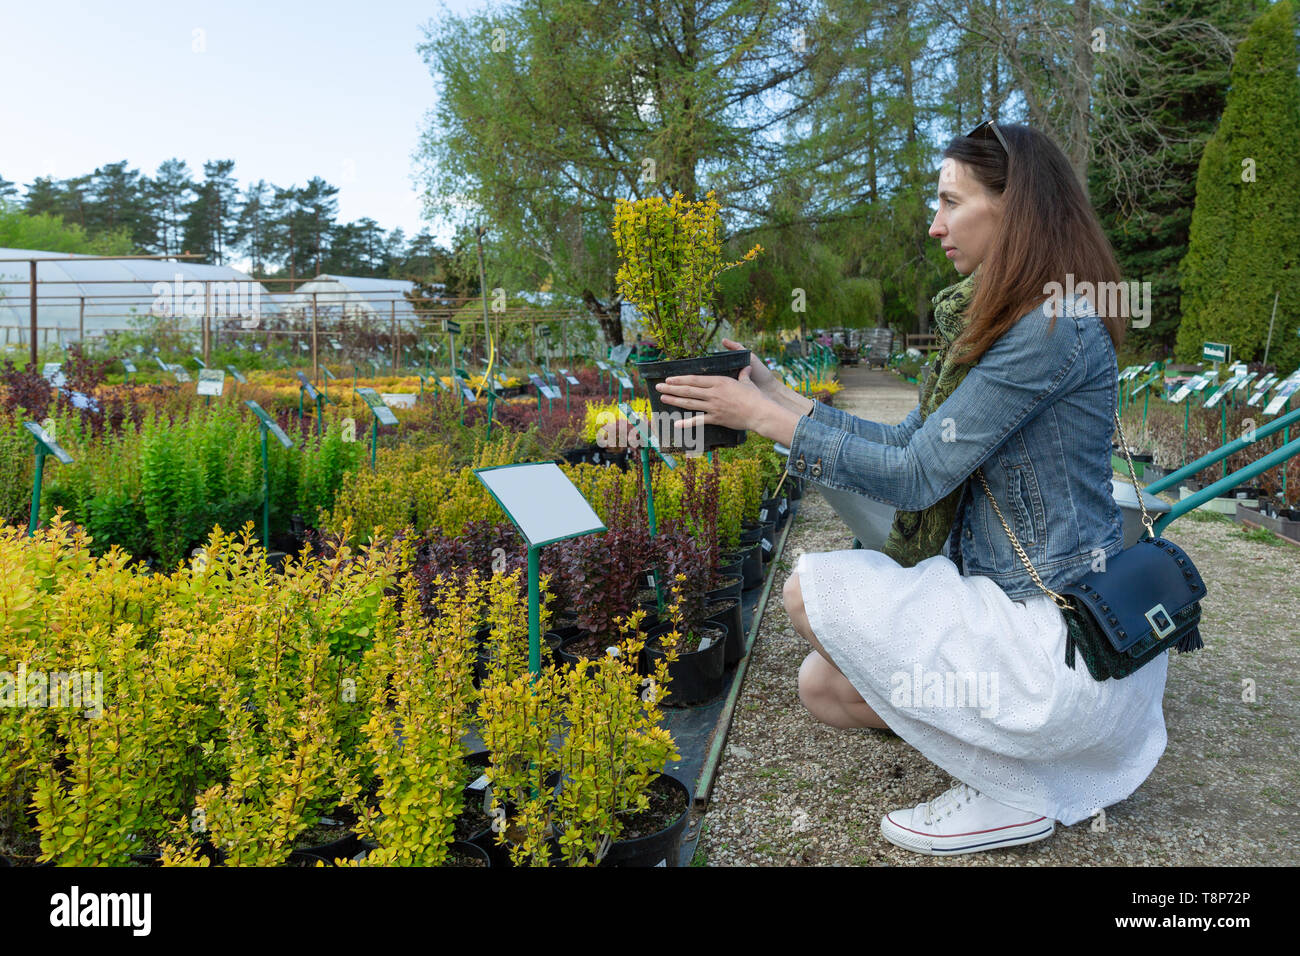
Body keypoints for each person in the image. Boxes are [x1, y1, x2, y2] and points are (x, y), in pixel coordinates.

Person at [652, 121, 1169, 857]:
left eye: (950, 202)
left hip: (1052, 633)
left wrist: (762, 419)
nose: (934, 226)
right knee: (822, 687)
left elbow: (919, 474)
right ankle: (1020, 753)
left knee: (809, 590)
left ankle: (1012, 791)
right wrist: (777, 392)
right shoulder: (1008, 321)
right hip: (1020, 620)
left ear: (1013, 206)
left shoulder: (1051, 326)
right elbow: (907, 446)